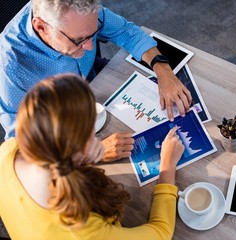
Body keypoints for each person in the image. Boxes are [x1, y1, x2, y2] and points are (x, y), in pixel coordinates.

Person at [0, 0, 192, 162]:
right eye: (79, 39)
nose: (91, 45)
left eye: (94, 33)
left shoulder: (82, 13)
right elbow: (20, 147)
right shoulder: (10, 65)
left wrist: (163, 69)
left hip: (93, 80)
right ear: (42, 27)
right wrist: (88, 154)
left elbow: (126, 32)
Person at [0, 74, 185, 239]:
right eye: (91, 131)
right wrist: (167, 169)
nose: (96, 137)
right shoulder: (81, 229)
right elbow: (160, 232)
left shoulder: (8, 149)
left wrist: (83, 158)